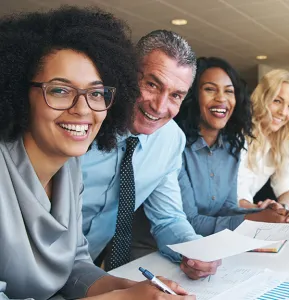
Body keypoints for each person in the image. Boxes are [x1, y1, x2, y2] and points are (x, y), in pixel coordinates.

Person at [0, 7, 191, 300]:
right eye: (60, 90)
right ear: (17, 91)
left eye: (96, 93)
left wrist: (129, 289)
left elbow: (73, 265)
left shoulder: (68, 167)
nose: (82, 109)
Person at [81, 30, 220, 279]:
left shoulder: (170, 139)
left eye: (176, 95)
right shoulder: (81, 122)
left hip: (83, 275)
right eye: (152, 85)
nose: (159, 106)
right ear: (128, 74)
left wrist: (194, 250)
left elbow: (167, 218)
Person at [174, 57, 288, 236]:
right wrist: (251, 220)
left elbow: (227, 208)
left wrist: (263, 213)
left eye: (229, 91)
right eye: (210, 89)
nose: (221, 99)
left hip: (209, 248)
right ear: (194, 95)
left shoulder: (231, 148)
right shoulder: (177, 147)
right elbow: (189, 222)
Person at [238, 69, 289, 222]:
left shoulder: (278, 142)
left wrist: (283, 208)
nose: (283, 112)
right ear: (262, 98)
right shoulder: (237, 136)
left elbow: (287, 191)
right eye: (277, 101)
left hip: (248, 220)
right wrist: (263, 210)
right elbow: (232, 199)